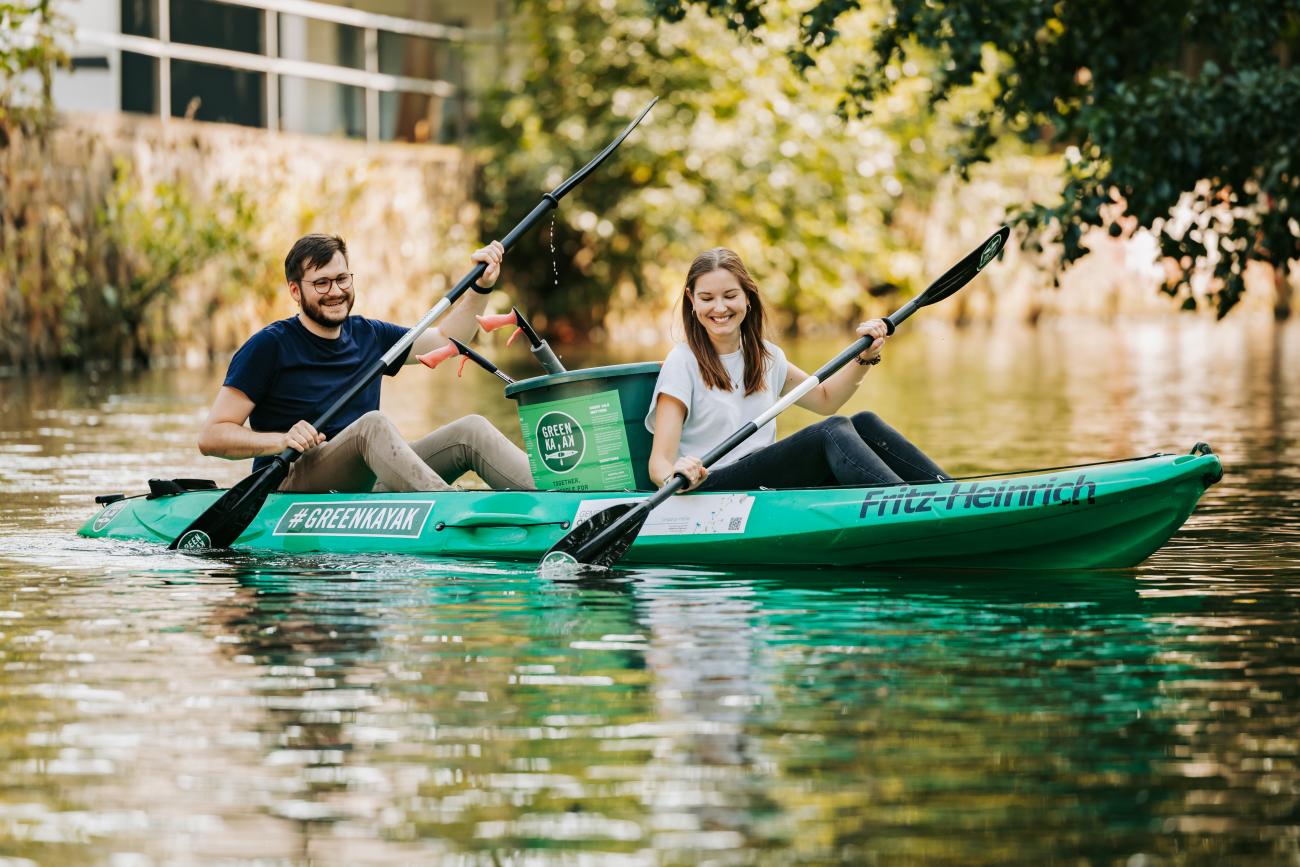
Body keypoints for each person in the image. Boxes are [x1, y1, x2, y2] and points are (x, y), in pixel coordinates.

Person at [197, 233, 534, 493]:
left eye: (342, 278)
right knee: (371, 425)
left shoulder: (369, 334)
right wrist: (281, 440)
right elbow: (212, 436)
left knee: (470, 430)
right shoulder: (268, 346)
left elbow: (449, 340)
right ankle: (450, 512)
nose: (335, 291)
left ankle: (564, 501)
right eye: (321, 283)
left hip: (364, 479)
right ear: (296, 291)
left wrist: (481, 286)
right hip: (292, 482)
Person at [646, 247, 950, 492]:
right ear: (691, 300)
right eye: (707, 298)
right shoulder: (682, 362)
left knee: (865, 422)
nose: (720, 308)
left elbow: (825, 399)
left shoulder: (767, 356)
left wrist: (865, 357)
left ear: (747, 297)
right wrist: (676, 473)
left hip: (761, 478)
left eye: (730, 296)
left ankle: (948, 494)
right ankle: (904, 505)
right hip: (713, 485)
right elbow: (658, 462)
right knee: (830, 431)